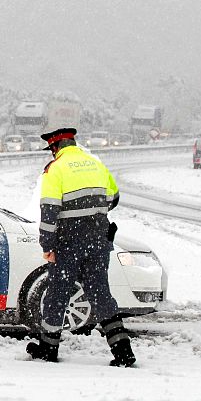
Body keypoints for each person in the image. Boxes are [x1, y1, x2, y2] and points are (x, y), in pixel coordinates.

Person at [26, 127, 137, 367]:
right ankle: (123, 351)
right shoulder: (95, 164)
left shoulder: (55, 169)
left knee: (57, 295)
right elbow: (114, 197)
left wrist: (47, 244)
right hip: (98, 241)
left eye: (52, 150)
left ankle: (48, 349)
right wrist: (92, 217)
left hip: (68, 243)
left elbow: (49, 212)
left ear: (55, 148)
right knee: (100, 294)